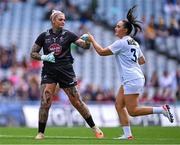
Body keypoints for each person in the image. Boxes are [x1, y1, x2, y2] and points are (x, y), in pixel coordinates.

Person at [87, 5, 174, 140]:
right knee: (118, 105)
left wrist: (92, 39)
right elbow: (142, 60)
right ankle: (128, 135)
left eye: (118, 26)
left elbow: (101, 52)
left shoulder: (121, 43)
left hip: (131, 78)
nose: (115, 28)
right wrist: (129, 61)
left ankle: (162, 109)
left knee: (132, 111)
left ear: (125, 30)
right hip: (133, 77)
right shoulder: (134, 42)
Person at [30, 10, 104, 140]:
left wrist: (87, 41)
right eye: (60, 19)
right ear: (53, 20)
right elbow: (33, 53)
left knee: (77, 102)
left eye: (64, 19)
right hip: (49, 72)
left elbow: (84, 46)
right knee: (45, 101)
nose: (63, 22)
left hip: (66, 71)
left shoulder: (68, 34)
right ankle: (41, 133)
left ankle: (94, 127)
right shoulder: (43, 36)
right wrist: (44, 57)